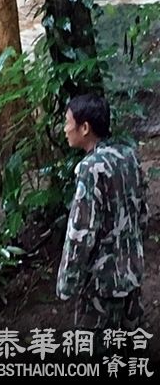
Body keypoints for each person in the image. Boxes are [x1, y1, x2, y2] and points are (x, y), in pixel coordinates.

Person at [57, 94, 148, 331]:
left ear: (84, 127)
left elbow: (81, 233)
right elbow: (142, 213)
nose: (65, 129)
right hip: (132, 273)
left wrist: (67, 283)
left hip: (102, 284)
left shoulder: (90, 169)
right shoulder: (128, 156)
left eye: (68, 122)